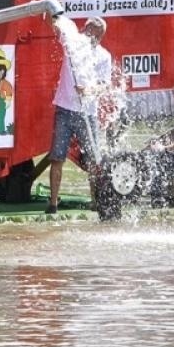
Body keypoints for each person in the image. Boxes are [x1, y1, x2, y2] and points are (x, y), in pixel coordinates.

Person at [44, 16, 111, 215]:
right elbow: (56, 28)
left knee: (92, 159)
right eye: (89, 30)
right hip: (64, 108)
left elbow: (105, 86)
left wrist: (88, 90)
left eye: (96, 33)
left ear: (100, 35)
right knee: (57, 157)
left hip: (86, 113)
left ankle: (95, 200)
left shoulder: (103, 56)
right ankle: (53, 203)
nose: (91, 35)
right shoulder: (72, 46)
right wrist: (50, 16)